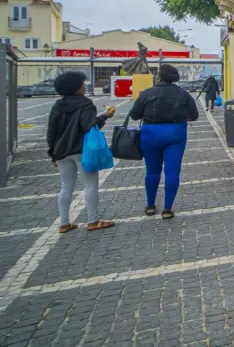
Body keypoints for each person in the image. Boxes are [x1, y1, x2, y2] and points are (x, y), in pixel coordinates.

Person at [46, 71, 117, 234]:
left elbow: (51, 133)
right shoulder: (85, 104)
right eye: (83, 84)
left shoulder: (57, 106)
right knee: (90, 184)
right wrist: (105, 116)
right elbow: (90, 127)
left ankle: (64, 223)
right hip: (82, 150)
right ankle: (93, 221)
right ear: (77, 88)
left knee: (65, 186)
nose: (85, 86)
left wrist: (52, 154)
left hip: (61, 151)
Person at [129, 64, 199, 219]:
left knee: (152, 171)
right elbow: (194, 116)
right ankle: (167, 209)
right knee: (172, 172)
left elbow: (134, 115)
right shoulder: (183, 94)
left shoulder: (147, 93)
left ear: (159, 76)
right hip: (176, 134)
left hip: (150, 134)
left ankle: (150, 206)